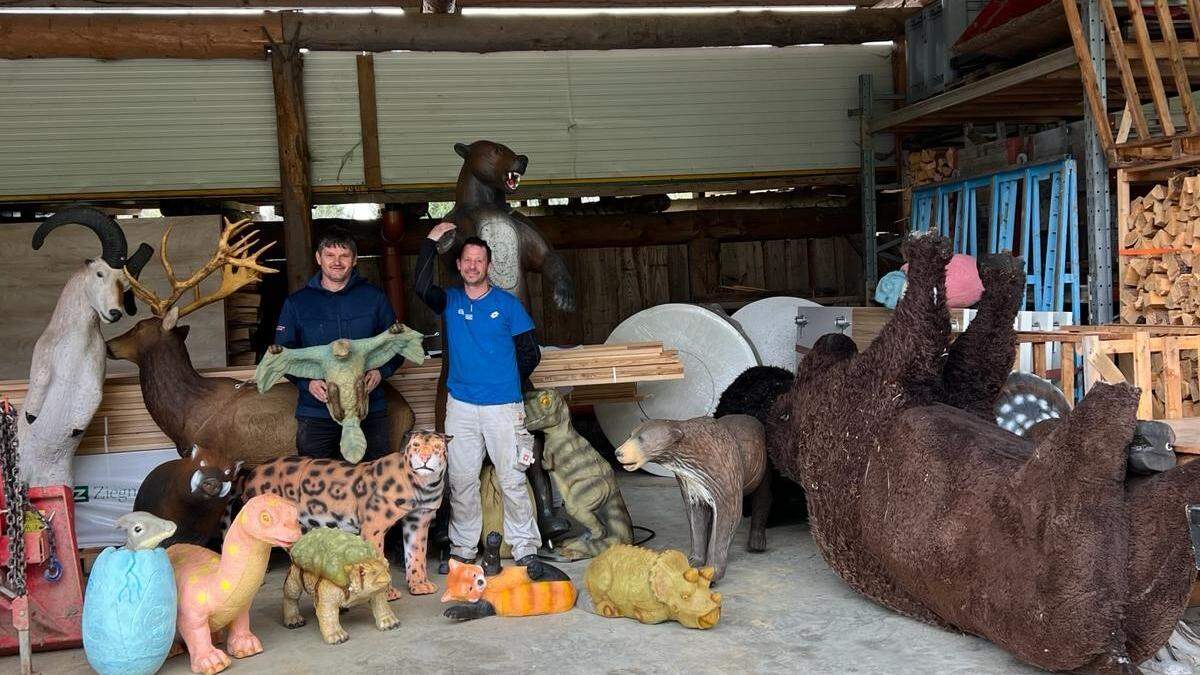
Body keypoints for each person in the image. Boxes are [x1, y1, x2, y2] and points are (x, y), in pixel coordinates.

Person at [414, 221, 543, 565]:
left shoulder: (507, 303)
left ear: (488, 265)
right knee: (462, 481)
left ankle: (525, 547)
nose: (472, 266)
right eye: (467, 260)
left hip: (503, 408)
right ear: (459, 265)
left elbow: (531, 352)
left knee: (513, 478)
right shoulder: (450, 301)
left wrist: (505, 381)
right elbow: (421, 285)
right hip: (462, 408)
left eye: (479, 261)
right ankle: (462, 549)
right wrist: (430, 241)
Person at [275, 227, 404, 462]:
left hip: (367, 410)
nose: (337, 262)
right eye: (330, 255)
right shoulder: (297, 303)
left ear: (354, 260)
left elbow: (398, 345)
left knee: (373, 481)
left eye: (344, 255)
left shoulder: (374, 299)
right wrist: (307, 382)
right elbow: (283, 354)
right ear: (318, 258)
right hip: (316, 412)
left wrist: (381, 372)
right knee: (316, 482)